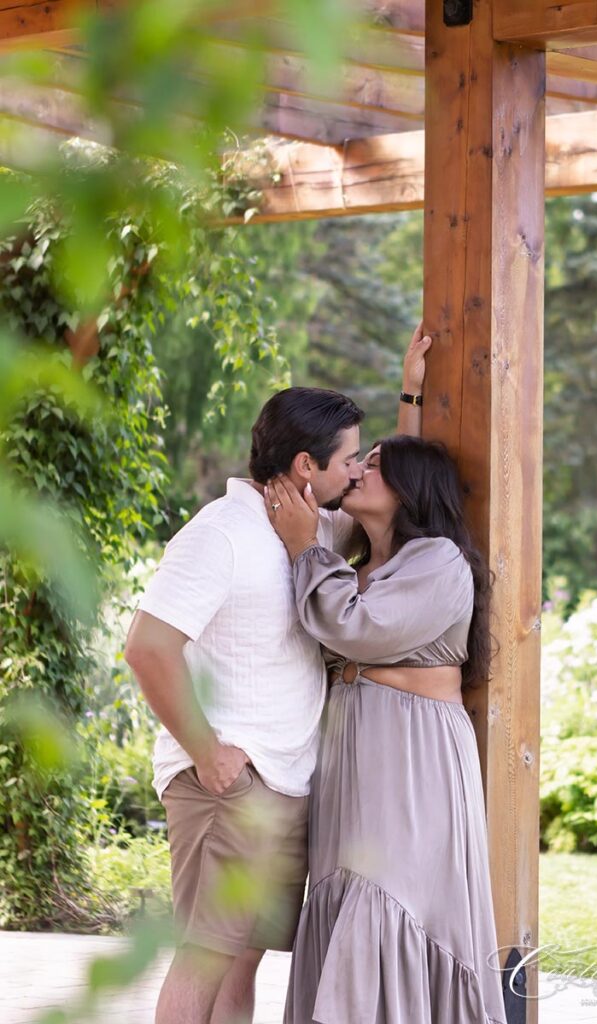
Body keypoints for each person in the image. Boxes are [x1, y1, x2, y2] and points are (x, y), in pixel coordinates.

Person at [123, 324, 432, 1024]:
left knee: (241, 965)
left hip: (286, 783)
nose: (358, 472)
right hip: (230, 783)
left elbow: (395, 491)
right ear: (304, 465)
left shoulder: (311, 530)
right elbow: (147, 647)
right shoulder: (220, 534)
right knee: (204, 957)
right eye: (348, 460)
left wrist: (410, 393)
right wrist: (208, 753)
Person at [265, 433, 507, 1024]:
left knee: (391, 893)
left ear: (409, 488)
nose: (356, 473)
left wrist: (305, 548)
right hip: (350, 751)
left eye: (374, 466)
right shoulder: (356, 567)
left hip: (413, 754)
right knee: (347, 887)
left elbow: (357, 628)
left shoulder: (438, 560)